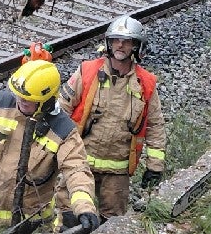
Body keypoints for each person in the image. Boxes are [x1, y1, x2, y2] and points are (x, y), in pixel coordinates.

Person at [0, 60, 99, 234]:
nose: (20, 101)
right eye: (18, 95)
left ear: (45, 101)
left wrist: (84, 208)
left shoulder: (62, 131)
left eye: (27, 99)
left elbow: (77, 171)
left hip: (27, 226)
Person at [58, 15, 167, 217]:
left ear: (136, 46)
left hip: (117, 171)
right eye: (116, 40)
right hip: (81, 164)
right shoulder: (87, 71)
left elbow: (155, 126)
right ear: (108, 43)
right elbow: (62, 109)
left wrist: (155, 167)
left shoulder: (146, 83)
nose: (120, 45)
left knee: (110, 223)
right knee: (69, 215)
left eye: (126, 41)